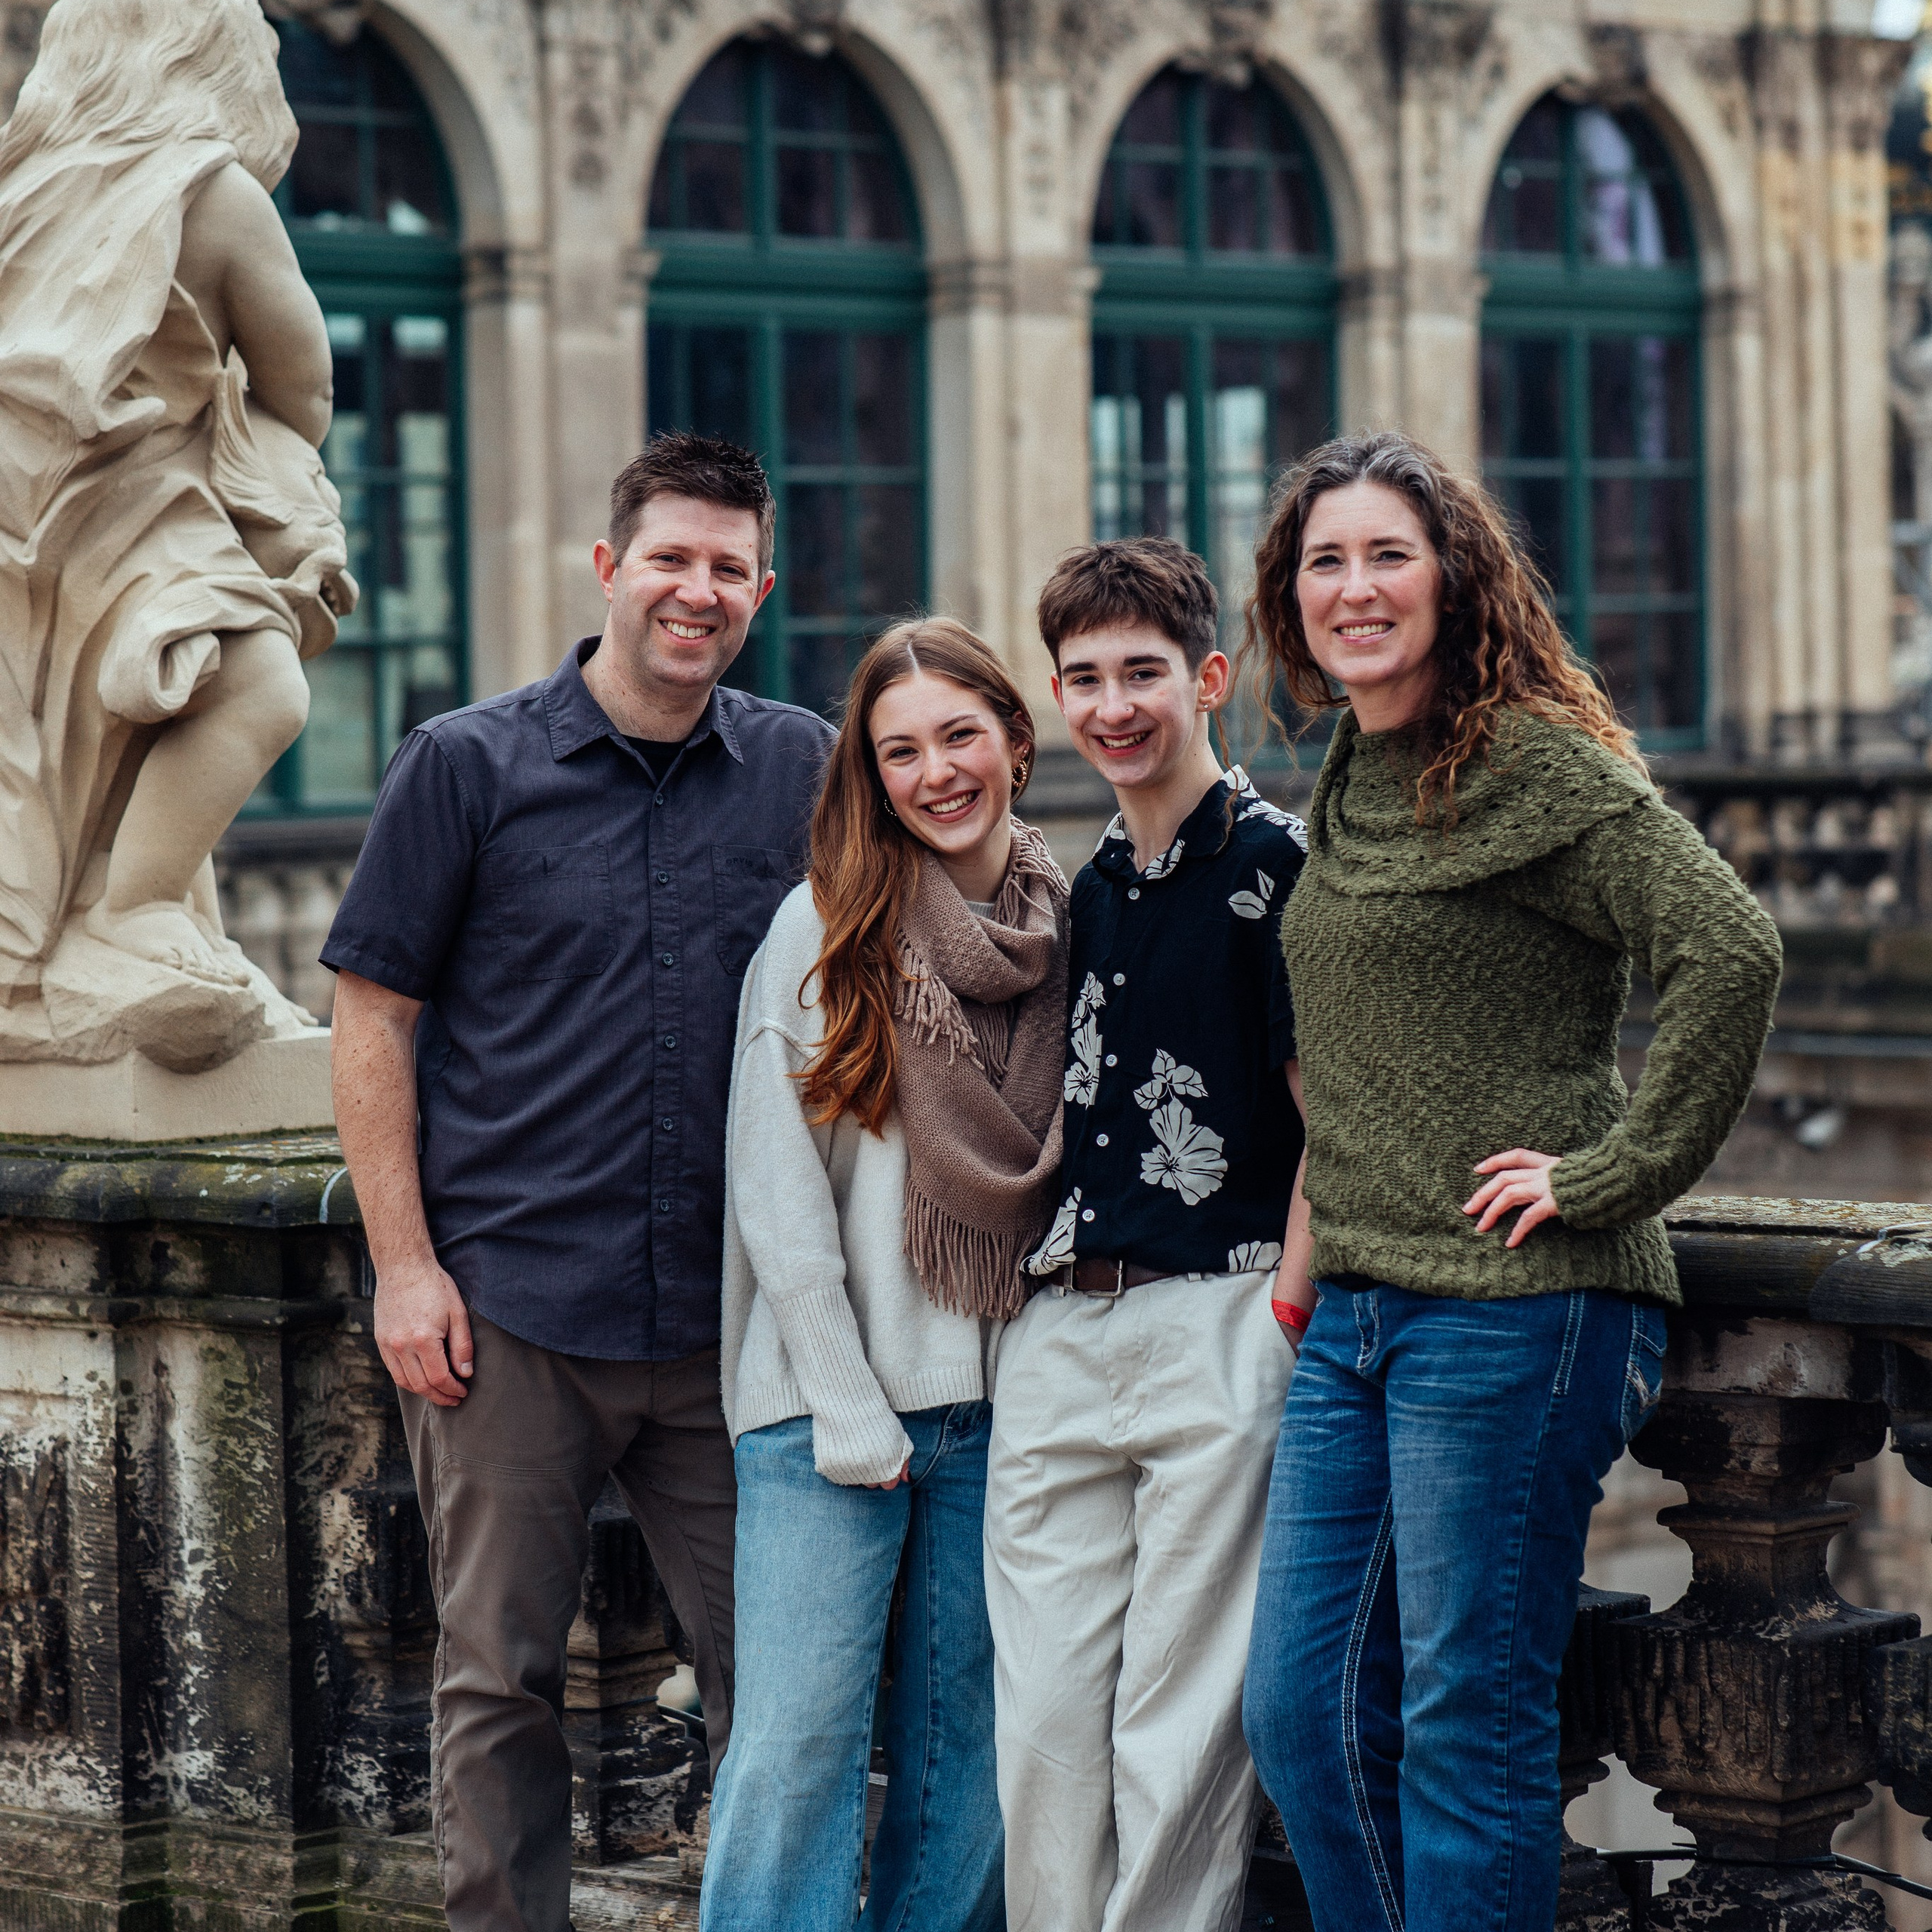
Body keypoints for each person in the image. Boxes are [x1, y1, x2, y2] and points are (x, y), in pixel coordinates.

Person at [1238, 431, 1783, 1932]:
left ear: (1450, 575)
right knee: (1294, 1714)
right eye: (1321, 560)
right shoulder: (1350, 769)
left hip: (1514, 1315)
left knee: (1462, 1726)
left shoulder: (1533, 760)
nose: (1352, 587)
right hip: (1355, 1311)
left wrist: (1614, 1170)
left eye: (1385, 555)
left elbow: (1727, 948)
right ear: (1288, 597)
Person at [323, 432, 833, 1932]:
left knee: (783, 1682)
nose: (698, 590)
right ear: (610, 568)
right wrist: (404, 1265)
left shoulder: (803, 766)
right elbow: (373, 1017)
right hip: (513, 1316)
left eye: (727, 569)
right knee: (497, 1681)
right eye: (670, 559)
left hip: (730, 1328)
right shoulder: (464, 764)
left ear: (761, 589)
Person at [703, 617, 1066, 1932]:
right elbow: (774, 1182)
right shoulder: (826, 927)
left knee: (973, 1770)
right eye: (899, 749)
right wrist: (844, 1394)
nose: (935, 772)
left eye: (959, 736)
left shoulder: (1070, 932)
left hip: (1004, 1414)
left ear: (1016, 742)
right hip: (822, 1411)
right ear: (871, 770)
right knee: (795, 1757)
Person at [983, 537, 1309, 1932]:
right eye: (1084, 678)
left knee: (1181, 1726)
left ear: (1209, 679)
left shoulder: (1286, 870)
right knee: (1045, 1725)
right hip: (1064, 1325)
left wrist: (1285, 1312)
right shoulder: (1090, 882)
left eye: (1142, 673)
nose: (1112, 705)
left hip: (1221, 1318)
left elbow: (1333, 1118)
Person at [0, 0, 355, 1056]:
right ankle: (133, 910)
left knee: (94, 740)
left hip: (26, 522)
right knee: (256, 684)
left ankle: (106, 920)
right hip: (140, 510)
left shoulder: (19, 195)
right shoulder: (212, 190)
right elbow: (309, 384)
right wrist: (265, 458)